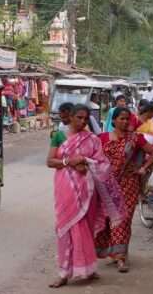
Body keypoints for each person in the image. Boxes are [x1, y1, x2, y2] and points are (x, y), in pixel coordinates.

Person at [45, 104, 123, 288]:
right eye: (79, 117)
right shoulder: (59, 135)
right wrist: (69, 161)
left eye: (85, 118)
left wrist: (86, 163)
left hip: (88, 190)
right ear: (70, 117)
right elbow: (50, 161)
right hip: (65, 189)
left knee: (86, 230)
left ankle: (88, 268)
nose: (82, 121)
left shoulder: (92, 139)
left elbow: (102, 164)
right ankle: (64, 273)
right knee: (65, 229)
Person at [95, 107, 153, 272]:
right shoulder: (102, 138)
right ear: (113, 120)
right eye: (121, 119)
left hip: (129, 184)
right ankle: (113, 254)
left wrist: (143, 168)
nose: (124, 122)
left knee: (123, 219)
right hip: (107, 186)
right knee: (108, 220)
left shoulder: (136, 139)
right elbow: (93, 159)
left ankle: (122, 257)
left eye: (127, 119)